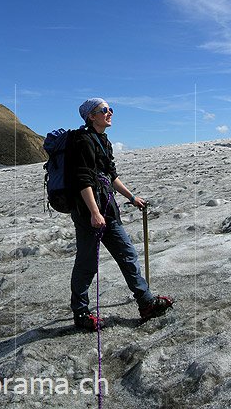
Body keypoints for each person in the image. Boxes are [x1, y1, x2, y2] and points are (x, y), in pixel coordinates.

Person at [63, 98, 170, 331]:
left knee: (128, 254)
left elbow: (110, 175)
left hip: (107, 210)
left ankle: (146, 303)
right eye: (104, 110)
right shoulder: (83, 141)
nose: (110, 112)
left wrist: (131, 198)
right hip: (88, 213)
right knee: (87, 263)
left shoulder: (102, 140)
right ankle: (80, 312)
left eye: (110, 109)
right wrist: (93, 212)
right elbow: (83, 179)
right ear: (91, 116)